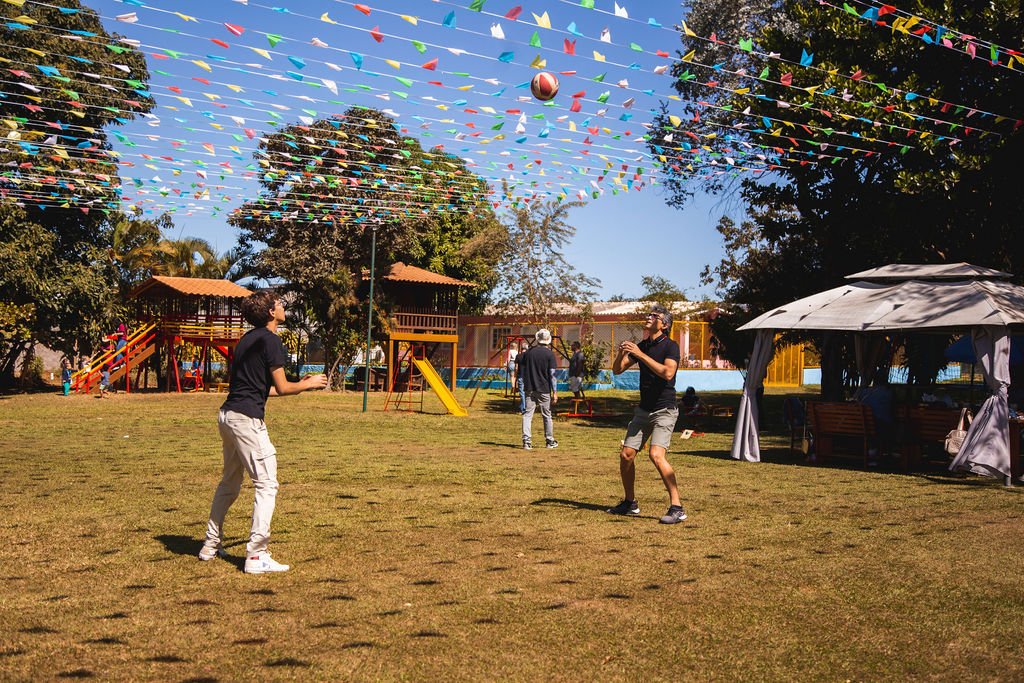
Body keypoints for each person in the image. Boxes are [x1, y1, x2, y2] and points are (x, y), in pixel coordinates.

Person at [199, 291, 328, 574]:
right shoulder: (271, 340)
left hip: (227, 415)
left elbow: (262, 388)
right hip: (246, 419)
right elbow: (282, 387)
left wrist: (299, 383)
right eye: (280, 304)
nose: (283, 307)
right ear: (271, 312)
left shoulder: (246, 340)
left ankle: (210, 543)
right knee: (266, 484)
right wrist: (307, 384)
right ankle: (257, 555)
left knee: (230, 483)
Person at [607, 304, 686, 525]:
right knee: (626, 455)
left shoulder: (670, 346)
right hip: (644, 409)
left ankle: (677, 507)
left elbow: (668, 373)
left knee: (656, 455)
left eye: (654, 316)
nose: (649, 317)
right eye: (649, 314)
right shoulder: (643, 345)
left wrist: (640, 354)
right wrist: (623, 352)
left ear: (665, 324)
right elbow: (617, 369)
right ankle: (630, 503)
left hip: (664, 409)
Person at [519, 329, 558, 450]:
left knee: (527, 415)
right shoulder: (550, 354)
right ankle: (549, 440)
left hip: (529, 388)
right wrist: (555, 392)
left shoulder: (529, 352)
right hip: (544, 389)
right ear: (548, 340)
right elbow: (552, 375)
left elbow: (519, 360)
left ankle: (526, 441)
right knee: (547, 415)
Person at [512, 342, 526, 414]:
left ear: (521, 348)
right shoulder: (529, 356)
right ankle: (525, 407)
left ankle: (523, 409)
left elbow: (516, 367)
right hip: (528, 377)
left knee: (522, 393)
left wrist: (515, 375)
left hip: (520, 376)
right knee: (527, 393)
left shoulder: (518, 356)